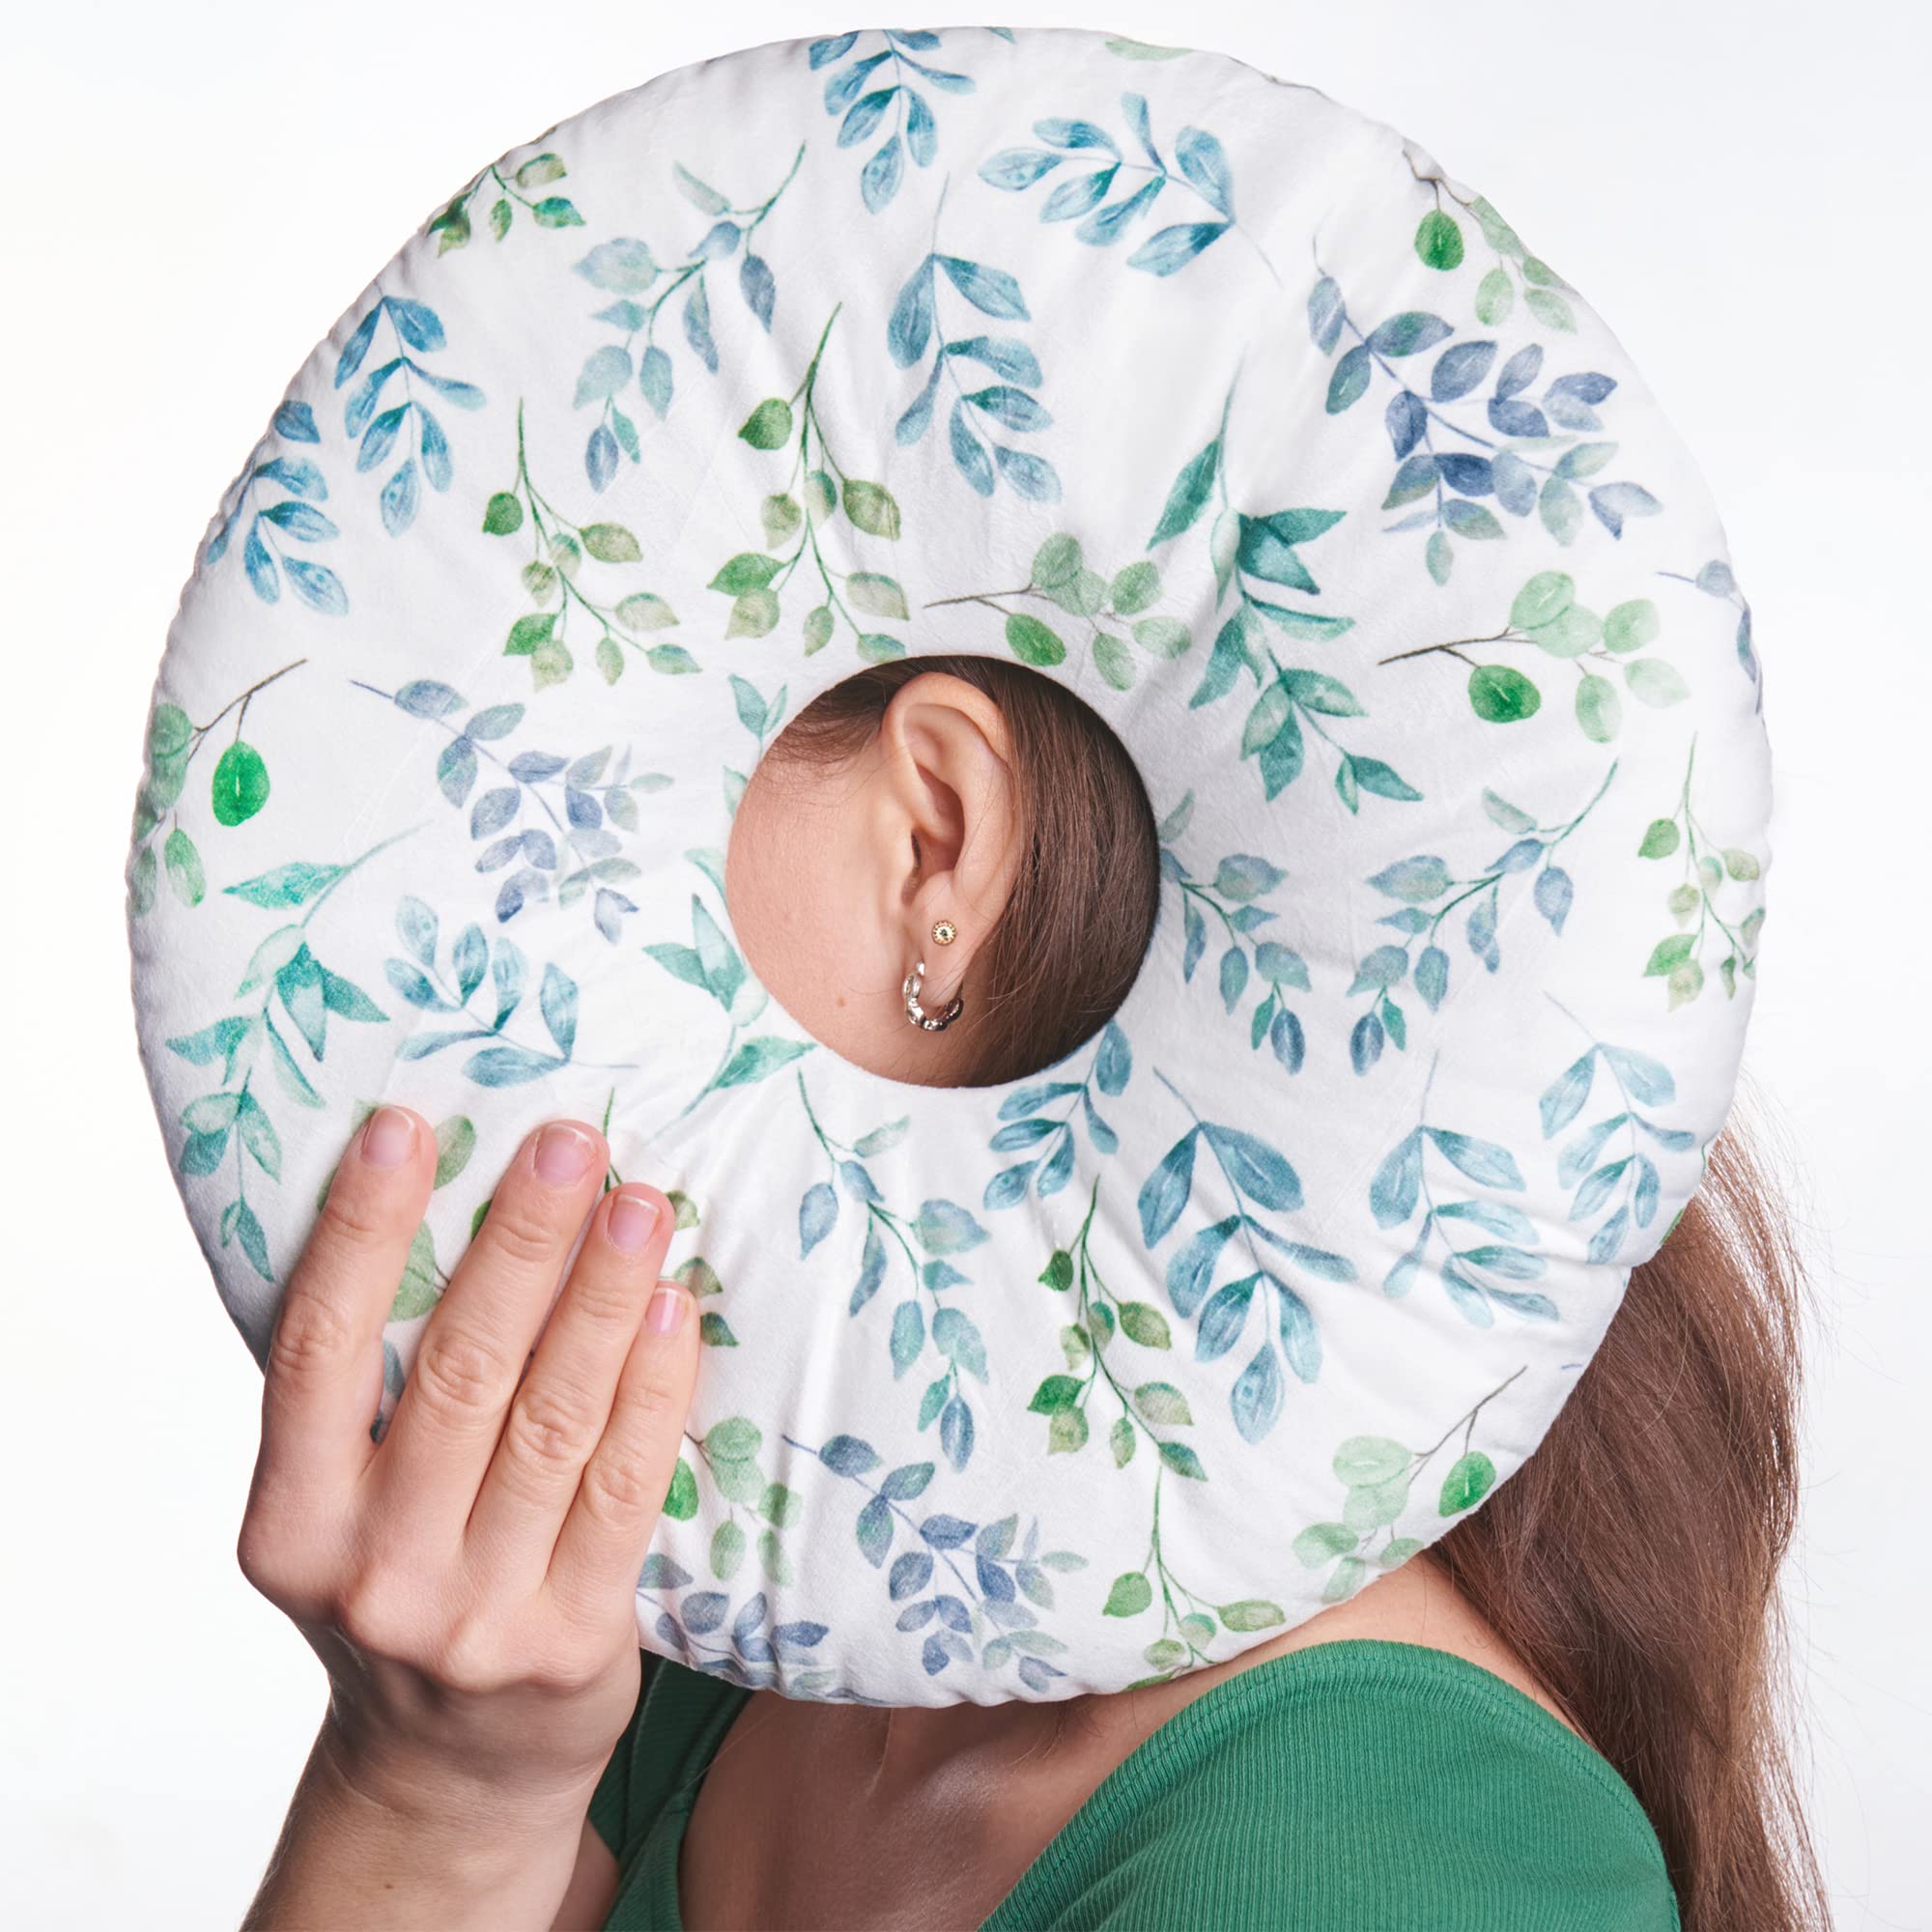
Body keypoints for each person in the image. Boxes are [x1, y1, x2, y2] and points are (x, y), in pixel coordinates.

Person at [235, 660, 1826, 1930]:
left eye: (574, 869)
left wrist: (435, 1808)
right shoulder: (746, 1633)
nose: (494, 1054)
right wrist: (441, 1793)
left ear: (935, 836)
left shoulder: (1375, 1863)